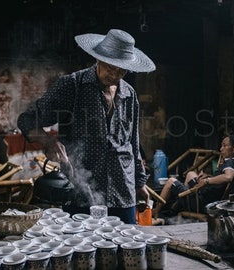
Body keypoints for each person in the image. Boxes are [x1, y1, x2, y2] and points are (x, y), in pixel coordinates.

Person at [17, 29, 155, 224]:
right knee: (83, 250)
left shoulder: (129, 94)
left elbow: (133, 143)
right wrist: (48, 141)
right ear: (98, 59)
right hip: (81, 193)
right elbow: (27, 119)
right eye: (110, 67)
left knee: (126, 249)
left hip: (123, 192)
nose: (115, 74)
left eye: (121, 70)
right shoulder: (72, 86)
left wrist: (140, 182)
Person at [152, 135, 234, 218]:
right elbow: (223, 178)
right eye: (221, 145)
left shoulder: (231, 162)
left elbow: (228, 177)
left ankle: (156, 211)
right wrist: (209, 176)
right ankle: (181, 203)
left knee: (171, 181)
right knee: (190, 174)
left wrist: (206, 181)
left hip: (203, 202)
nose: (221, 149)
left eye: (225, 146)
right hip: (205, 196)